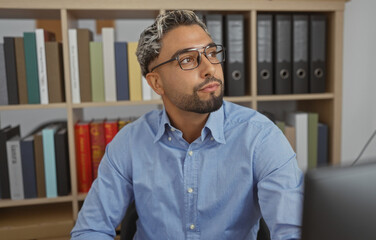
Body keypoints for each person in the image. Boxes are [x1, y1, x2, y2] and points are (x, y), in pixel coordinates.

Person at [70, 10, 303, 240]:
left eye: (211, 53)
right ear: (156, 82)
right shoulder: (129, 143)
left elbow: (293, 231)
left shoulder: (261, 137)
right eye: (188, 59)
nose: (209, 68)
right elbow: (90, 230)